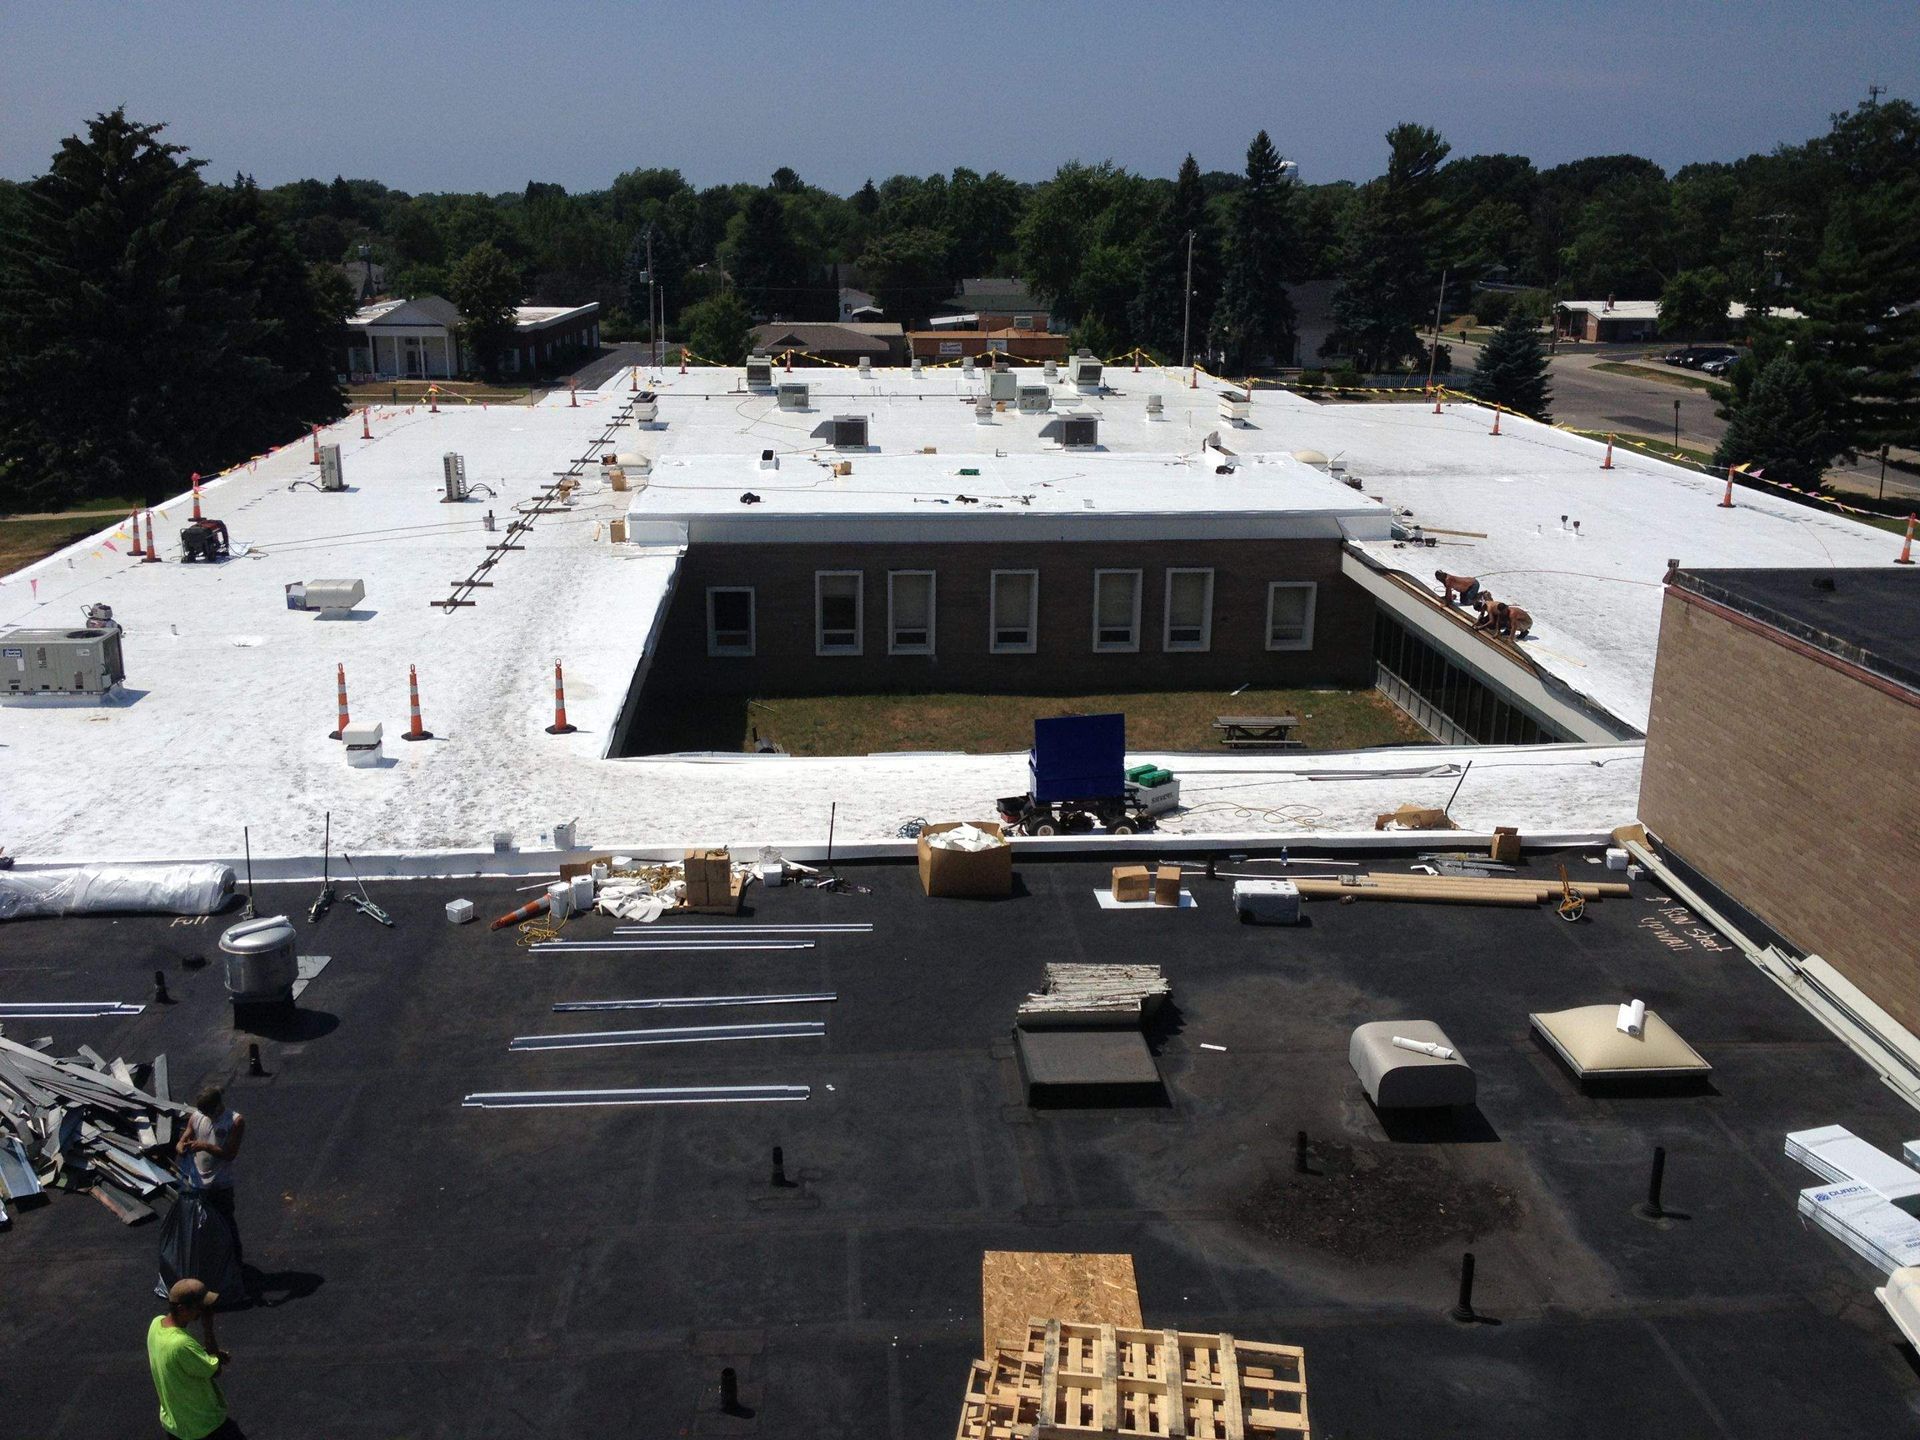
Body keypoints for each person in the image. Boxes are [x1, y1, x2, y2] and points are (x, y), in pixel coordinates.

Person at [148, 1278, 243, 1439]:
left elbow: (176, 1356)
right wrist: (208, 1328)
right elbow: (214, 1371)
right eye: (200, 1307)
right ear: (182, 1308)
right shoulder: (181, 1344)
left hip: (176, 1424)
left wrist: (206, 1353)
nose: (204, 1311)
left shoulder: (156, 1324)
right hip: (202, 1425)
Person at [178, 1088, 246, 1268]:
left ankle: (235, 1265)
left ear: (218, 1106)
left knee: (226, 1225)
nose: (205, 1115)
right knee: (200, 1227)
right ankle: (211, 1263)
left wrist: (205, 1146)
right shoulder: (197, 1117)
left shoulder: (234, 1121)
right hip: (198, 1183)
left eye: (208, 1111)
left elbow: (230, 1154)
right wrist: (181, 1145)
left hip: (220, 1184)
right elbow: (187, 1134)